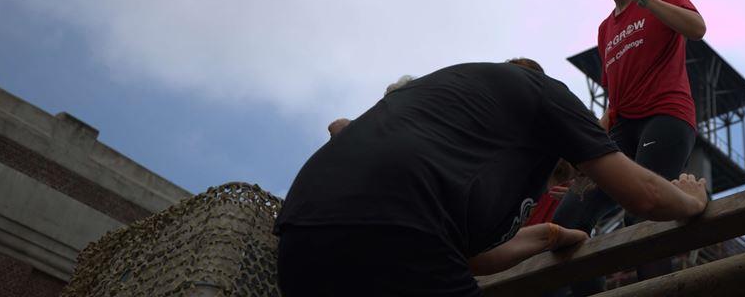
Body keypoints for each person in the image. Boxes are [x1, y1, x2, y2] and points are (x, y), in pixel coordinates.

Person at [274, 59, 709, 297]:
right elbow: (644, 196)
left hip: (303, 235)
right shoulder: (548, 95)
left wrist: (554, 235)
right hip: (405, 226)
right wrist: (691, 198)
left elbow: (474, 258)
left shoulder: (454, 113)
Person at [550, 0, 706, 295]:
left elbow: (697, 28)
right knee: (569, 217)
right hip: (623, 126)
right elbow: (615, 100)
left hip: (666, 116)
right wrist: (581, 159)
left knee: (642, 212)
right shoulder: (605, 29)